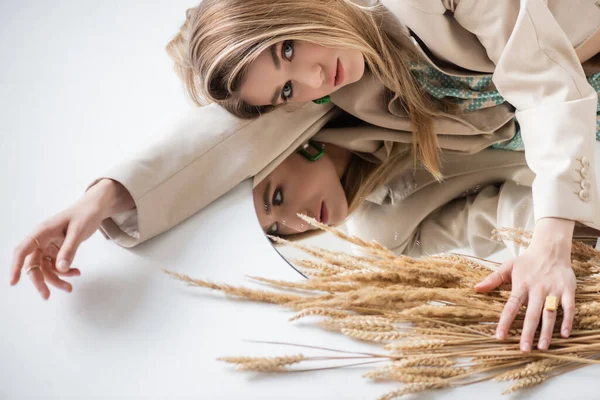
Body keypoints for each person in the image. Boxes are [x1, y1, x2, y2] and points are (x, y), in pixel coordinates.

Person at [9, 0, 600, 356]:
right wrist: (107, 196)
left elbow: (547, 89)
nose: (315, 78)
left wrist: (550, 240)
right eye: (288, 90)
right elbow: (226, 132)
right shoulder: (352, 100)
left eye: (289, 47)